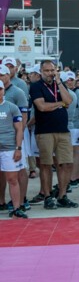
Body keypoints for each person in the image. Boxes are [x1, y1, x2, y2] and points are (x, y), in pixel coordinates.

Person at [30, 60, 78, 209]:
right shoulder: (36, 86)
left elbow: (69, 100)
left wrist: (59, 82)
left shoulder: (59, 84)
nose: (51, 73)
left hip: (63, 130)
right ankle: (48, 196)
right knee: (46, 164)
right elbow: (42, 106)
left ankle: (62, 195)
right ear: (41, 72)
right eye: (47, 71)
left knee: (67, 163)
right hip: (45, 131)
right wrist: (60, 104)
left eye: (53, 70)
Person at [0, 80, 27, 218]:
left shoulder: (11, 107)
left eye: (0, 89)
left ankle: (16, 208)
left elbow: (19, 129)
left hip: (9, 148)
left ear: (3, 90)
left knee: (12, 179)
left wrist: (18, 148)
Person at [62, 72, 79, 189]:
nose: (69, 82)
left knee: (74, 153)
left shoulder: (78, 93)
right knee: (74, 153)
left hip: (76, 125)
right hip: (73, 125)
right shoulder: (72, 92)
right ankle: (75, 177)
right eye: (68, 80)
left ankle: (74, 177)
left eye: (71, 80)